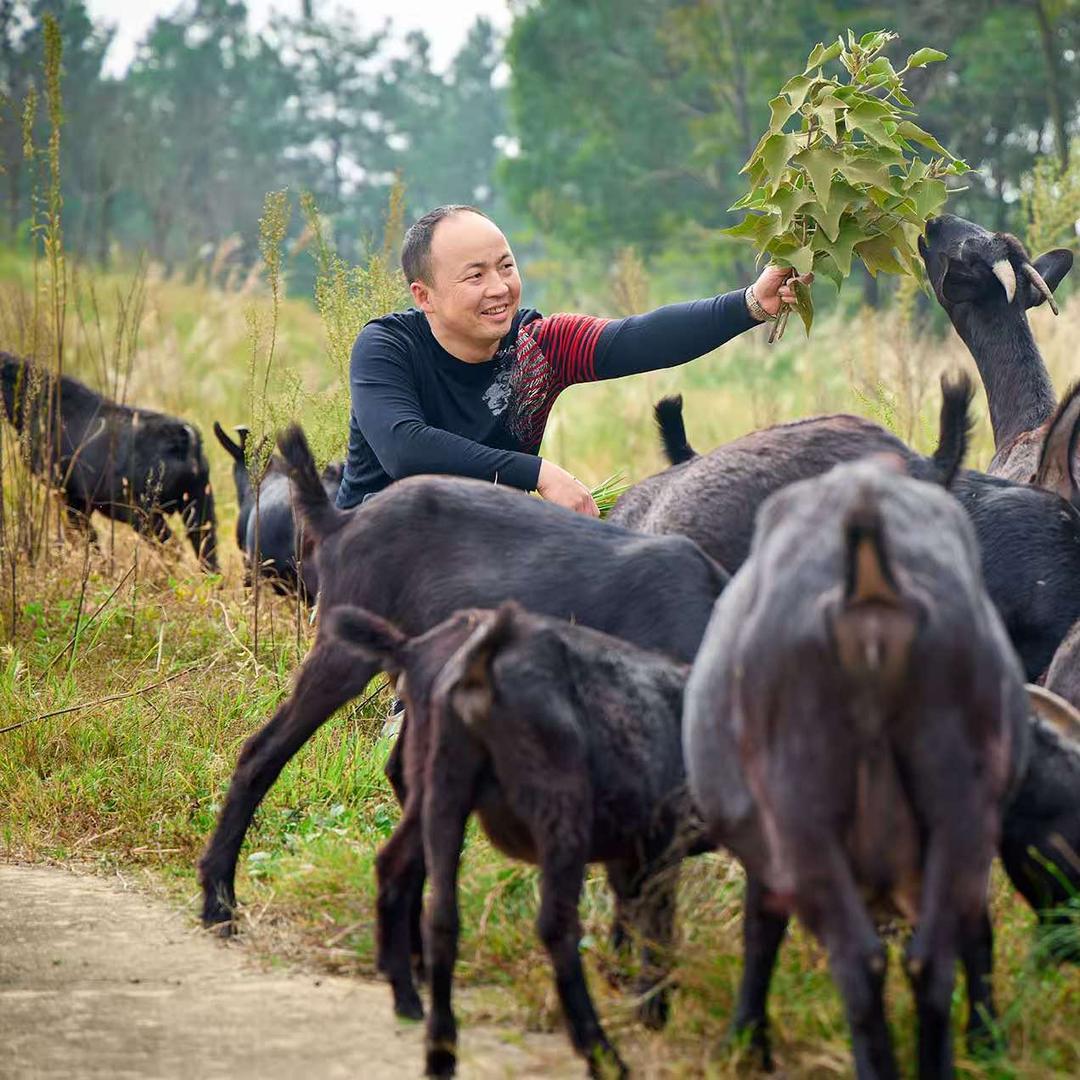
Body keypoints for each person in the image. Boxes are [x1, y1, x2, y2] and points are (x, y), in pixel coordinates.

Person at [336, 203, 812, 517]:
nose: (499, 288)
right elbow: (406, 449)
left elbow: (639, 338)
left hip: (483, 535)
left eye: (505, 266)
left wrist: (752, 303)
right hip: (377, 537)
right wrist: (539, 474)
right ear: (425, 295)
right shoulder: (387, 347)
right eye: (474, 276)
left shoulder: (537, 346)